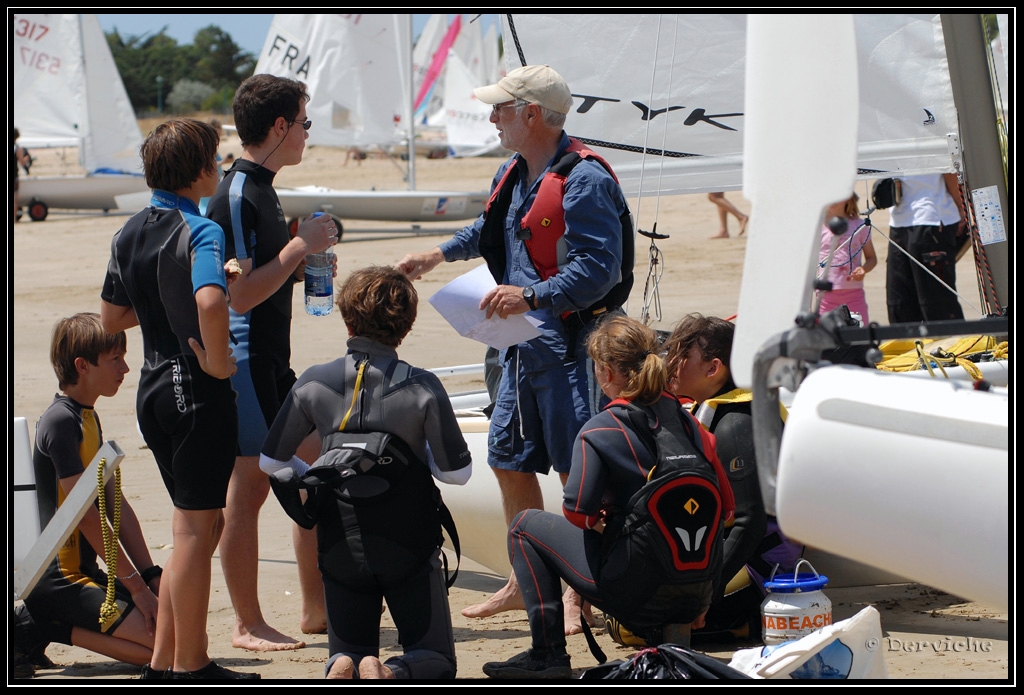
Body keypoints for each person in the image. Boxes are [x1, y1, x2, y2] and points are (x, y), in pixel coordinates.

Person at [397, 64, 634, 635]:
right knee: (507, 459)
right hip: (520, 347)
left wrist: (530, 294)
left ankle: (579, 592)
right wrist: (437, 255)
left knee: (582, 471)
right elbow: (489, 229)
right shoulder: (515, 169)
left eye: (500, 109)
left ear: (532, 114)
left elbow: (599, 272)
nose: (491, 117)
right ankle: (523, 577)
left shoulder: (585, 180)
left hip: (573, 347)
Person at [482, 315, 729, 679]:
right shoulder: (690, 422)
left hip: (636, 594)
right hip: (698, 595)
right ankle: (674, 632)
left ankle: (546, 654)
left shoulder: (600, 429)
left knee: (524, 526)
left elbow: (577, 513)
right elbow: (726, 510)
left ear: (606, 372)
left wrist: (609, 516)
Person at [259, 265, 472, 680]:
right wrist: (409, 455)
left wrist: (321, 469)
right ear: (405, 326)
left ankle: (342, 663)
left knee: (349, 653)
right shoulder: (422, 386)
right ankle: (393, 670)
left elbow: (272, 462)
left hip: (340, 545)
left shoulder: (312, 382)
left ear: (347, 319)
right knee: (436, 659)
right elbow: (457, 474)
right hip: (407, 545)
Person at [100, 117, 256, 679]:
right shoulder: (203, 229)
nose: (219, 168)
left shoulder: (128, 231)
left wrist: (171, 301)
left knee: (194, 528)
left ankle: (165, 660)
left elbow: (113, 317)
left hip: (152, 387)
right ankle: (191, 666)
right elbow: (213, 304)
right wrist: (216, 361)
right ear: (198, 170)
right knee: (195, 532)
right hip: (195, 386)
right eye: (215, 159)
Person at [205, 73, 337, 649]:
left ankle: (315, 609)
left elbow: (260, 266)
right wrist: (298, 246)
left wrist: (299, 247)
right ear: (280, 126)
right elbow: (236, 293)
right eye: (305, 122)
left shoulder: (262, 185)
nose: (309, 133)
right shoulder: (238, 191)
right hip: (244, 363)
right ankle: (246, 623)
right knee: (248, 491)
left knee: (316, 473)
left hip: (270, 361)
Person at [17, 314, 160, 677]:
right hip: (58, 580)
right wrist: (137, 591)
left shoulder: (87, 417)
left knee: (176, 636)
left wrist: (150, 575)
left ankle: (41, 626)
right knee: (166, 653)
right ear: (83, 365)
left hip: (86, 571)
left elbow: (117, 506)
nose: (126, 368)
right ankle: (40, 626)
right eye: (115, 359)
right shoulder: (60, 422)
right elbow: (85, 515)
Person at [662, 313, 803, 643]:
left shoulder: (736, 423)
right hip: (731, 559)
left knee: (637, 625)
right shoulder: (717, 408)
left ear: (713, 369)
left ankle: (747, 622)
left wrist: (704, 595)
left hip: (760, 577)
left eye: (682, 355)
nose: (670, 363)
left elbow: (749, 522)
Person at [885, 173, 966, 323]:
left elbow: (948, 169)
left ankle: (953, 342)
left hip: (931, 217)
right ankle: (909, 343)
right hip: (898, 220)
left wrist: (961, 207)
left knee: (937, 302)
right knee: (899, 302)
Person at [817, 193, 877, 324]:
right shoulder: (817, 227)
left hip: (854, 295)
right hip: (825, 296)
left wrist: (863, 269)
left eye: (838, 193)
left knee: (860, 338)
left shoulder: (860, 225)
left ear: (848, 198)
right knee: (827, 340)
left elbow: (872, 258)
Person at [12, 126, 31, 222]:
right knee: (14, 198)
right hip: (14, 175)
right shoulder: (17, 148)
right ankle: (14, 218)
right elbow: (22, 162)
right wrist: (26, 158)